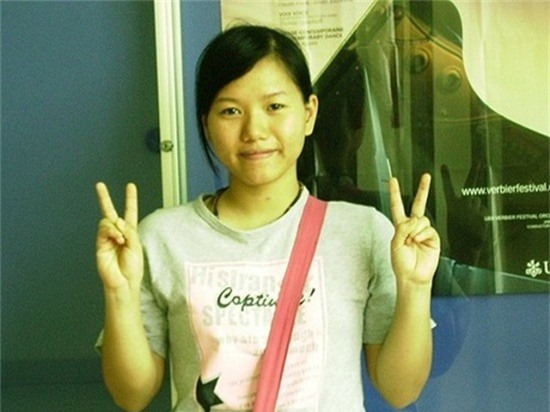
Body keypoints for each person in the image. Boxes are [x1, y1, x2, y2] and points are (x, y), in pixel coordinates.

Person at [95, 24, 440, 412]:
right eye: (230, 111)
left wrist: (415, 287)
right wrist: (119, 294)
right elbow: (132, 395)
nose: (254, 131)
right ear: (207, 125)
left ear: (308, 113)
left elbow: (400, 390)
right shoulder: (161, 237)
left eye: (274, 107)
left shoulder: (363, 232)